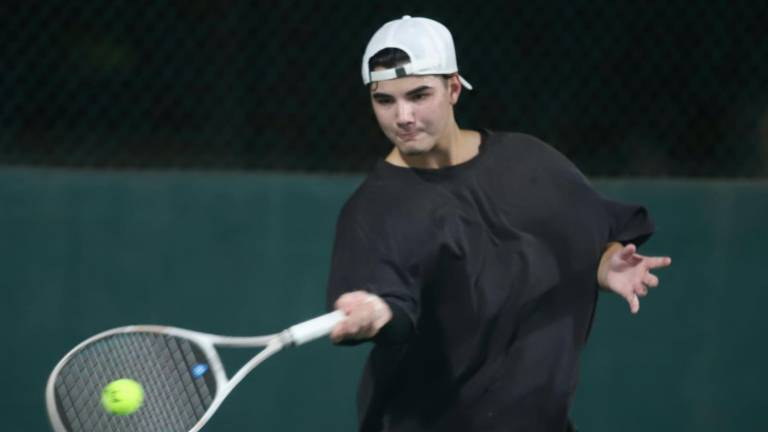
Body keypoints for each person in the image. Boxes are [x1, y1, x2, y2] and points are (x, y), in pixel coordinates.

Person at [326, 15, 671, 432]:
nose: (403, 116)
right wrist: (375, 315)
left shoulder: (530, 163)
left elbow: (595, 231)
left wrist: (604, 262)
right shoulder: (372, 212)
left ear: (453, 89)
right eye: (385, 100)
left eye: (419, 95)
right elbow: (391, 306)